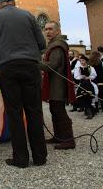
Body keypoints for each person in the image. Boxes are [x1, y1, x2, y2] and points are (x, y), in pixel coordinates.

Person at [0, 0, 47, 168]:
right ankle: (40, 157)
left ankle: (21, 158)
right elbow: (42, 44)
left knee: (14, 112)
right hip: (30, 66)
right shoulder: (28, 15)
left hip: (7, 67)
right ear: (14, 1)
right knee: (34, 111)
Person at [40, 21, 76, 149]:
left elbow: (52, 66)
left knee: (59, 111)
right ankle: (59, 136)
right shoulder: (53, 44)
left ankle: (68, 140)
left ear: (57, 31)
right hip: (54, 84)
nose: (47, 32)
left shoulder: (57, 46)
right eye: (46, 29)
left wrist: (35, 62)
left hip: (57, 85)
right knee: (54, 110)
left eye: (50, 29)